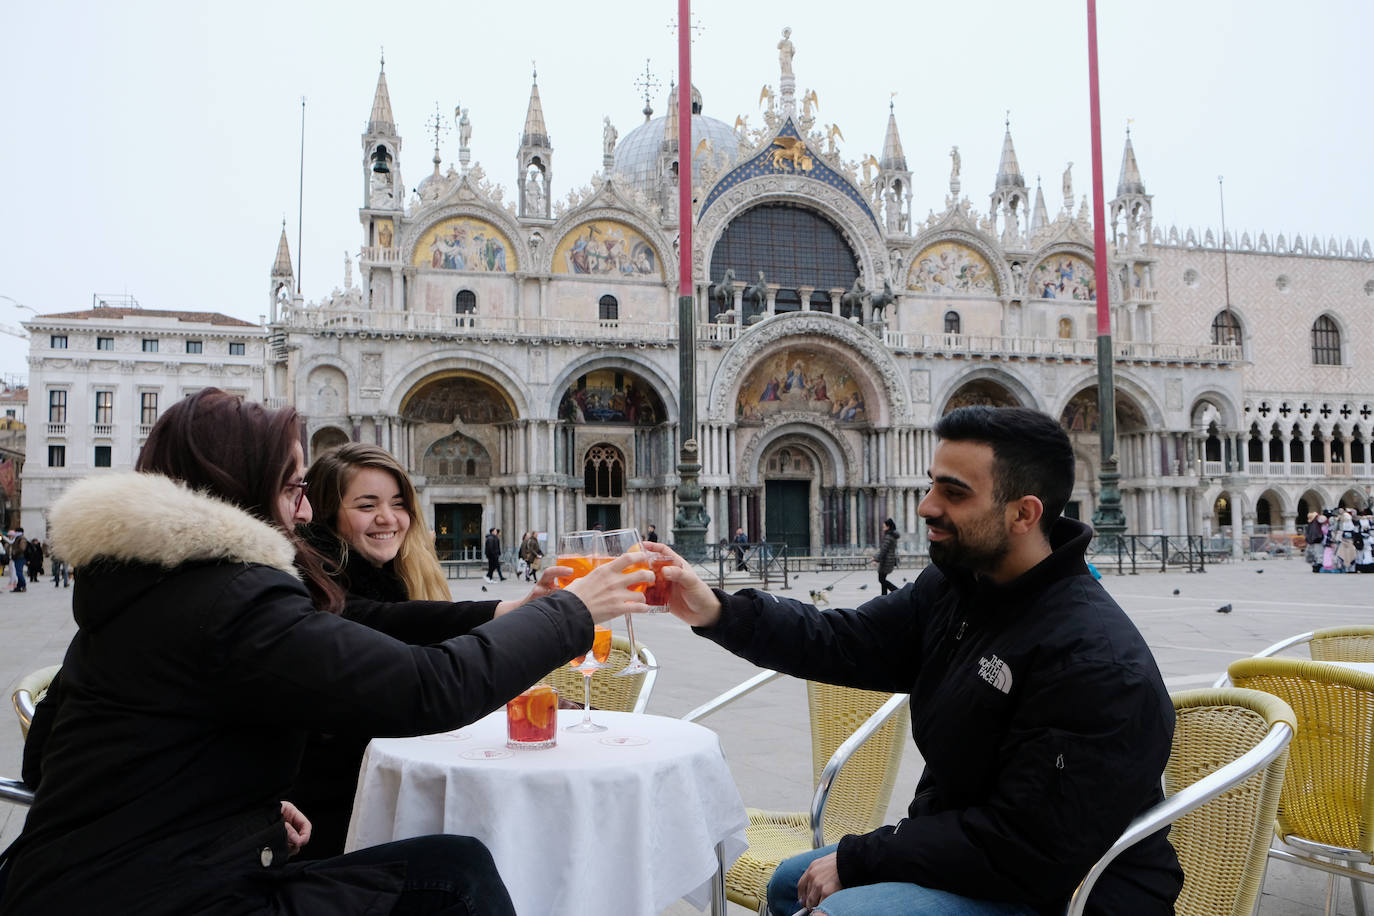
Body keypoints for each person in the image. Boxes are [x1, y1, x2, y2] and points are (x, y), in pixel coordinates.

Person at [0, 389, 652, 915]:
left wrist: (231, 804)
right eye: (289, 488)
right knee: (455, 876)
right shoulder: (230, 598)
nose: (306, 509)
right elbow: (433, 687)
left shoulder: (137, 589)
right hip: (167, 897)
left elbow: (47, 755)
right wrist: (574, 609)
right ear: (238, 490)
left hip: (65, 882)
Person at [650, 406, 1181, 915]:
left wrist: (864, 859)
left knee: (838, 909)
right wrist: (716, 610)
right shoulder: (960, 587)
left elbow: (1030, 845)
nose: (926, 506)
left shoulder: (1095, 662)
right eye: (932, 484)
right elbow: (848, 640)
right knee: (790, 882)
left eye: (953, 493)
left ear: (1023, 513)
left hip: (1067, 891)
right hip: (983, 849)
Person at [872, 518, 899, 595]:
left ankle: (897, 591)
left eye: (884, 527)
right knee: (882, 579)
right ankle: (884, 595)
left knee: (881, 579)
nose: (883, 528)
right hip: (888, 560)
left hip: (886, 561)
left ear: (888, 527)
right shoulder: (891, 536)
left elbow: (884, 550)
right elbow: (883, 549)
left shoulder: (888, 537)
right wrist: (875, 556)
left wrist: (876, 560)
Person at [9, 527, 28, 592]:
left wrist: (15, 552)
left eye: (16, 532)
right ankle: (18, 587)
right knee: (17, 572)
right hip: (17, 557)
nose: (15, 533)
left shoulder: (22, 539)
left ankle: (23, 585)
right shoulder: (17, 538)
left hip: (20, 557)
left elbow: (22, 548)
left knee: (18, 572)